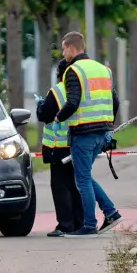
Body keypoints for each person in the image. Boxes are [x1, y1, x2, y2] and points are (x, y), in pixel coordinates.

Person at [53, 31, 122, 236]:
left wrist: (58, 118)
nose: (63, 52)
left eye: (63, 48)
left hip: (83, 133)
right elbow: (115, 102)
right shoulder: (104, 70)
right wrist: (109, 126)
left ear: (71, 48)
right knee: (84, 176)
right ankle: (111, 213)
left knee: (82, 179)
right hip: (101, 133)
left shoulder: (73, 70)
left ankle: (89, 225)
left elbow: (72, 102)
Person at [36, 59, 79, 237]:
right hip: (78, 144)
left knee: (60, 186)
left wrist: (40, 105)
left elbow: (44, 115)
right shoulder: (81, 89)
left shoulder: (57, 91)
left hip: (59, 146)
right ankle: (80, 223)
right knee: (77, 185)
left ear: (59, 74)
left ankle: (65, 224)